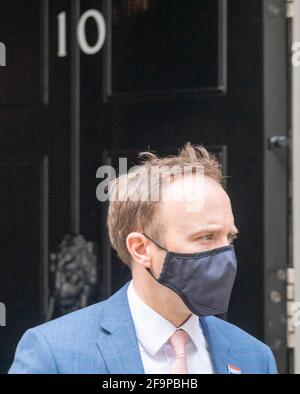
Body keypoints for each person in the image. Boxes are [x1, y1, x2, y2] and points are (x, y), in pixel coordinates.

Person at [9, 142, 277, 374]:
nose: (225, 254)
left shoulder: (253, 357)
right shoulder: (56, 352)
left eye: (229, 238)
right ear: (141, 248)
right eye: (205, 237)